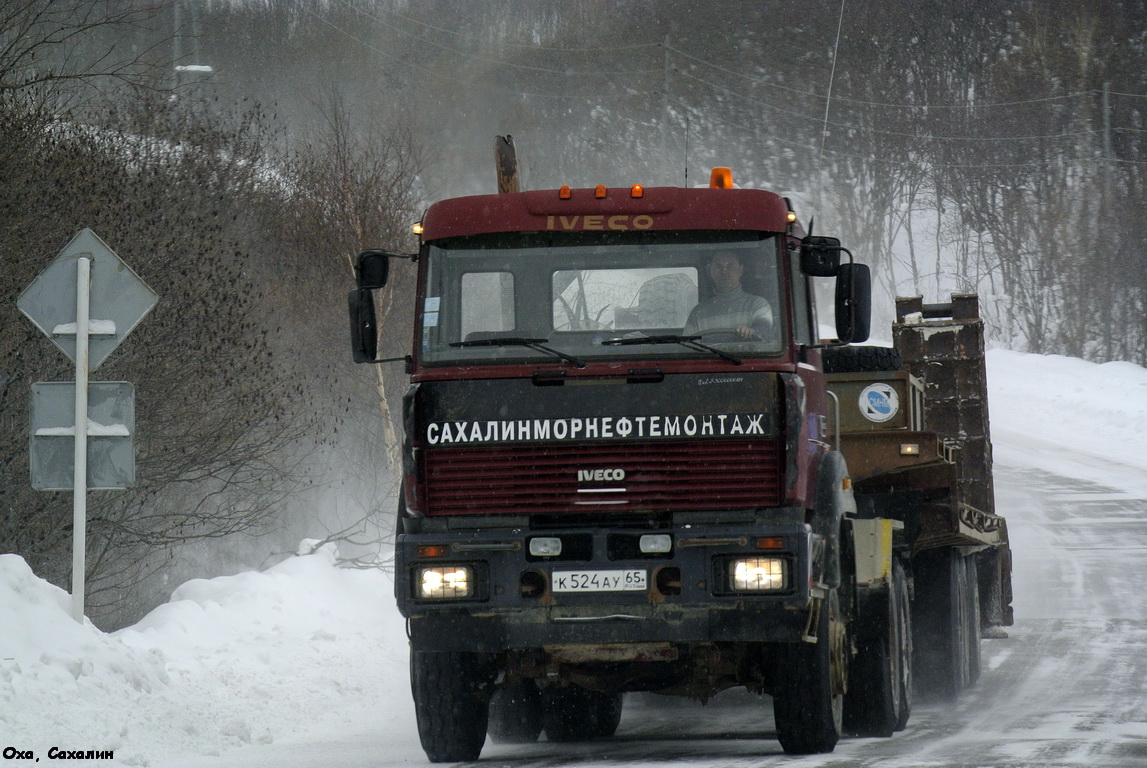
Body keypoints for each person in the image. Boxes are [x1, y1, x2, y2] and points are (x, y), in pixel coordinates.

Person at [682, 251, 773, 340]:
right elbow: (686, 347)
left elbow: (763, 333)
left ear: (741, 270)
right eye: (718, 266)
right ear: (710, 271)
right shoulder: (698, 313)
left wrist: (751, 332)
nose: (724, 272)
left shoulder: (758, 305)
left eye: (729, 266)